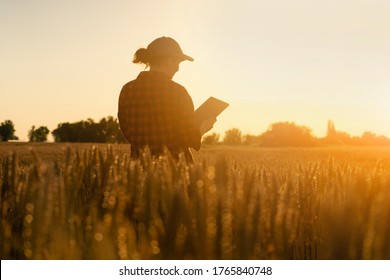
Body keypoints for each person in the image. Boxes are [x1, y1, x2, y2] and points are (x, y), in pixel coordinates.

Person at [118, 36, 215, 162]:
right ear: (170, 61)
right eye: (178, 63)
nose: (178, 68)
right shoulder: (178, 92)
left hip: (139, 170)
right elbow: (187, 137)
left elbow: (127, 132)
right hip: (175, 169)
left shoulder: (127, 90)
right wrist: (202, 128)